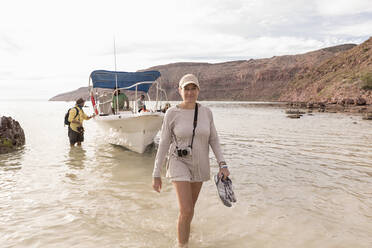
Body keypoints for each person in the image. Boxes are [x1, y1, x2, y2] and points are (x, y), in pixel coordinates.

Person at [152, 74, 230, 247]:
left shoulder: (206, 112)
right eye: (186, 88)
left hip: (200, 163)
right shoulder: (172, 113)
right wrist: (156, 173)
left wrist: (222, 164)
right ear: (180, 91)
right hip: (178, 161)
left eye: (193, 88)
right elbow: (164, 143)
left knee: (189, 210)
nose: (189, 92)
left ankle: (184, 232)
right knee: (186, 209)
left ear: (198, 90)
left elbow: (214, 140)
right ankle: (182, 245)